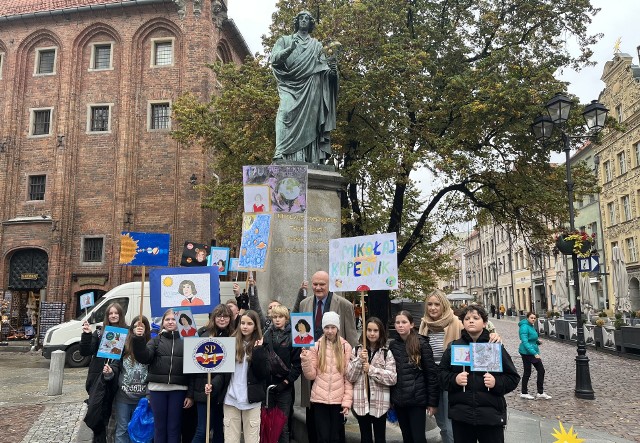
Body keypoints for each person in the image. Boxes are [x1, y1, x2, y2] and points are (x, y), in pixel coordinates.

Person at [418, 291, 501, 443]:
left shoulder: (455, 322)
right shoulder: (425, 323)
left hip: (455, 377)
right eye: (429, 304)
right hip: (432, 378)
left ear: (444, 305)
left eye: (437, 304)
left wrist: (493, 335)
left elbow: (476, 332)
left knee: (451, 424)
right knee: (441, 422)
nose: (433, 308)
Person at [439, 305, 520, 443]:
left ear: (484, 322)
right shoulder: (454, 347)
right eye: (467, 318)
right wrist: (454, 379)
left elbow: (513, 377)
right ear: (462, 322)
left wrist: (496, 383)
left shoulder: (494, 346)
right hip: (462, 416)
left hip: (490, 416)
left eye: (476, 318)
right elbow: (440, 375)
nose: (471, 321)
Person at [296, 270, 358, 443]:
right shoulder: (305, 304)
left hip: (336, 371)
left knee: (335, 428)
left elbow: (352, 338)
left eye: (322, 284)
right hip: (313, 369)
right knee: (313, 419)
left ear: (329, 284)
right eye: (315, 284)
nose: (318, 287)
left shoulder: (344, 305)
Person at [270, 10, 338, 164]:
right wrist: (289, 50)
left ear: (311, 23)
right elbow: (274, 59)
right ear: (297, 21)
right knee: (285, 112)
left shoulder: (316, 45)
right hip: (289, 84)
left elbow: (323, 71)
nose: (304, 20)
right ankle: (281, 151)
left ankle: (310, 157)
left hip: (312, 86)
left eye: (307, 18)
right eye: (301, 17)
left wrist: (332, 73)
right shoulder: (285, 40)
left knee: (311, 123)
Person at [132, 308, 194, 443]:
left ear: (179, 321)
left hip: (178, 390)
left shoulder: (187, 341)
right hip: (157, 390)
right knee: (159, 428)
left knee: (174, 427)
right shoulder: (155, 341)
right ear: (163, 322)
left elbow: (192, 371)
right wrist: (138, 339)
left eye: (173, 319)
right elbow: (144, 357)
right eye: (167, 319)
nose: (171, 322)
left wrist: (190, 394)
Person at [301, 312, 353, 443]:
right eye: (327, 327)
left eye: (333, 327)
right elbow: (311, 375)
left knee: (335, 437)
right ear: (323, 328)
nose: (330, 331)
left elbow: (348, 377)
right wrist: (306, 360)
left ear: (337, 328)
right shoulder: (316, 346)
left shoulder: (345, 347)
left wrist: (347, 401)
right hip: (320, 399)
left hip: (338, 400)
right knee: (322, 437)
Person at [80, 302, 127, 443]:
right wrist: (87, 335)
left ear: (120, 314)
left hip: (116, 378)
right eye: (110, 313)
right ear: (107, 316)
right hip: (98, 379)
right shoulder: (100, 331)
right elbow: (86, 351)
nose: (113, 315)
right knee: (98, 415)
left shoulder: (126, 331)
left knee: (115, 416)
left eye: (116, 313)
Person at [389, 310, 439, 443]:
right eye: (398, 322)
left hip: (417, 400)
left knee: (418, 437)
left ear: (411, 324)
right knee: (407, 436)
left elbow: (431, 374)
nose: (400, 325)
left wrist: (432, 402)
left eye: (404, 322)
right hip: (399, 400)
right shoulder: (393, 345)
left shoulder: (421, 343)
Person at [221, 310, 270, 443]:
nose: (245, 326)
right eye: (242, 323)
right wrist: (212, 385)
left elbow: (262, 374)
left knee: (252, 439)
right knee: (230, 439)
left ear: (255, 326)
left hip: (252, 399)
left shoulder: (263, 345)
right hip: (231, 398)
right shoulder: (230, 342)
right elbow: (221, 371)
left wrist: (258, 351)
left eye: (249, 323)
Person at [346, 317, 396, 443]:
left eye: (375, 330)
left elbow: (392, 378)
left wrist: (371, 369)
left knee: (380, 438)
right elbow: (350, 376)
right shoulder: (357, 350)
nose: (372, 333)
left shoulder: (386, 353)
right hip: (361, 402)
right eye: (369, 330)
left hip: (380, 403)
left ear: (380, 333)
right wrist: (359, 361)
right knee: (365, 437)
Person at [191, 304, 235, 443]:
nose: (222, 319)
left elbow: (227, 369)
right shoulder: (203, 334)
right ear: (213, 317)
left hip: (224, 392)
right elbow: (193, 365)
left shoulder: (233, 336)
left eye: (226, 316)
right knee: (202, 430)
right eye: (219, 316)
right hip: (204, 389)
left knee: (220, 430)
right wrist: (191, 393)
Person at [263, 304, 302, 443]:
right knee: (269, 424)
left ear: (286, 318)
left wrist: (286, 382)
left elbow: (298, 364)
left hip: (285, 386)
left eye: (280, 317)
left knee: (282, 424)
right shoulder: (266, 334)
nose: (277, 320)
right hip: (268, 386)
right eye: (275, 317)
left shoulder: (293, 336)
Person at [109, 316, 151, 443]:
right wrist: (109, 372)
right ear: (131, 329)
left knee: (140, 429)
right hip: (124, 396)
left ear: (146, 329)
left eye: (142, 327)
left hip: (143, 397)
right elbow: (115, 366)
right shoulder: (123, 345)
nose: (138, 329)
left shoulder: (151, 345)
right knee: (122, 428)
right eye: (136, 326)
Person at [518, 312, 551, 400]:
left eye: (534, 318)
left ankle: (540, 392)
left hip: (532, 351)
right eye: (531, 318)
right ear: (527, 318)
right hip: (526, 352)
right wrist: (535, 353)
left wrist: (537, 342)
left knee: (541, 371)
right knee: (528, 372)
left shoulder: (531, 326)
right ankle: (524, 392)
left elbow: (531, 338)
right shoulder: (524, 327)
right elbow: (525, 342)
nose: (533, 319)